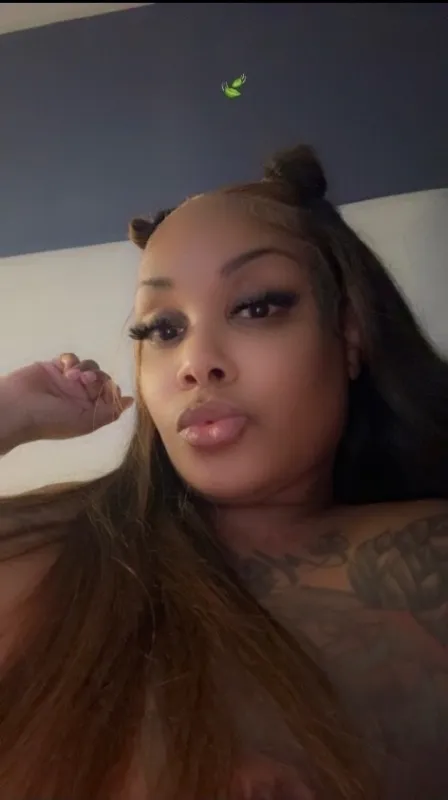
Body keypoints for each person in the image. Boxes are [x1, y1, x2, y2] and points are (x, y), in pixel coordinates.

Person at [0, 144, 447, 800]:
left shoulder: (427, 552)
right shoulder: (45, 553)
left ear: (349, 334)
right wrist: (9, 414)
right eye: (162, 328)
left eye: (256, 307)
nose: (195, 362)